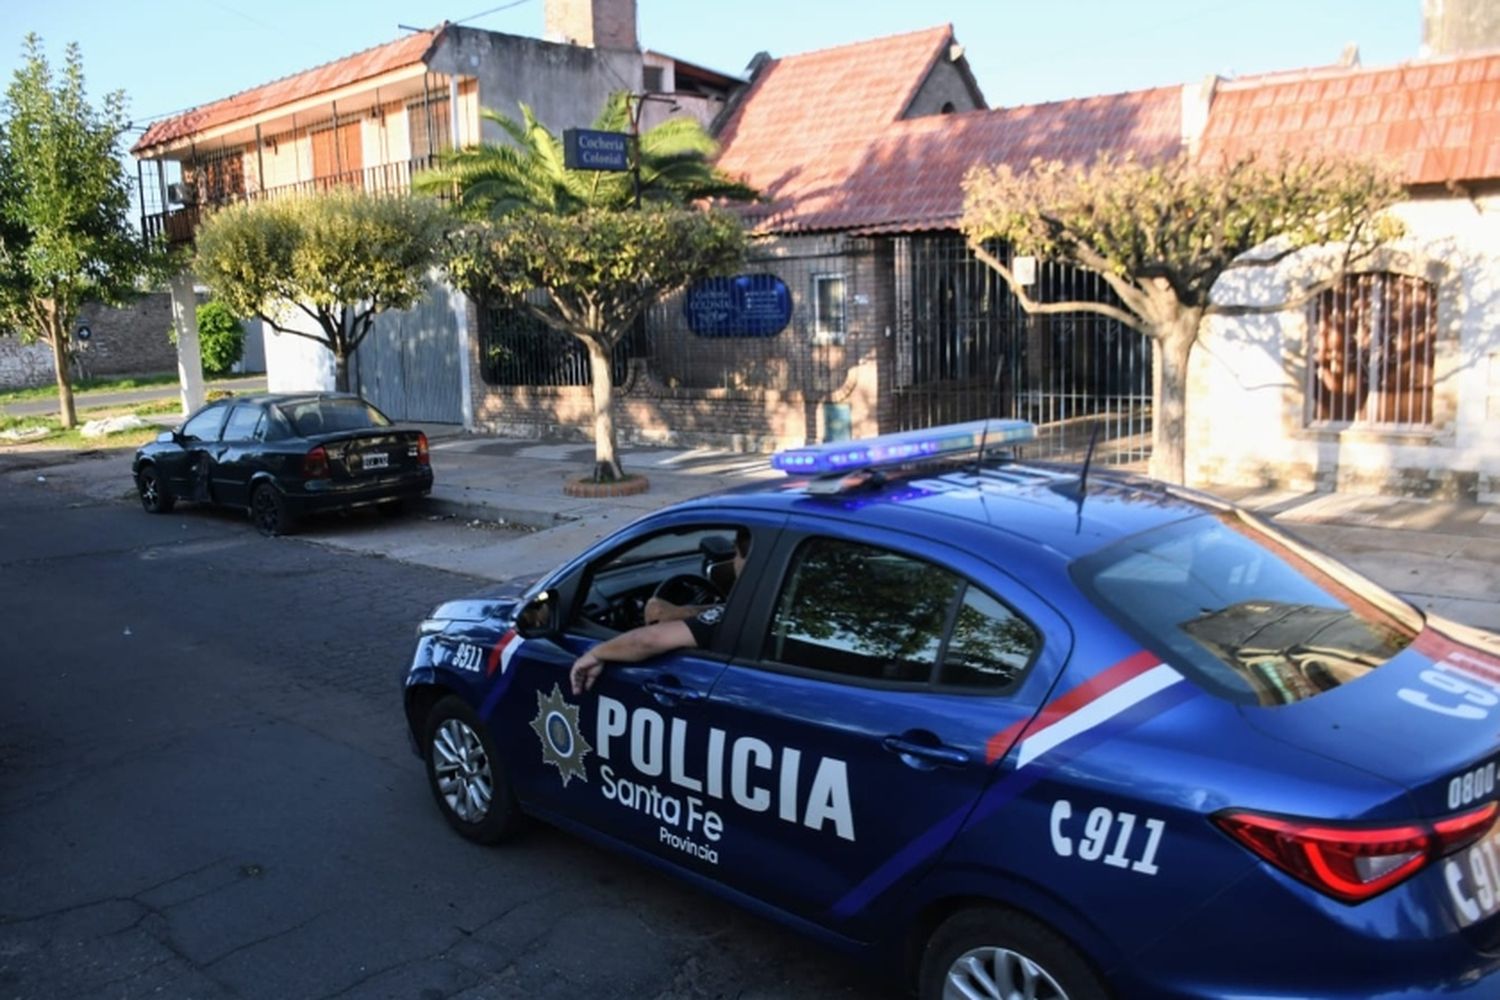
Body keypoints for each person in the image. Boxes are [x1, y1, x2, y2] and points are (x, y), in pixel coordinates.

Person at [570, 528, 749, 695]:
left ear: (749, 559)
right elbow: (723, 611)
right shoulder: (768, 609)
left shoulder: (742, 618)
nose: (733, 560)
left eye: (735, 554)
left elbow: (647, 640)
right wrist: (685, 612)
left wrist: (596, 653)